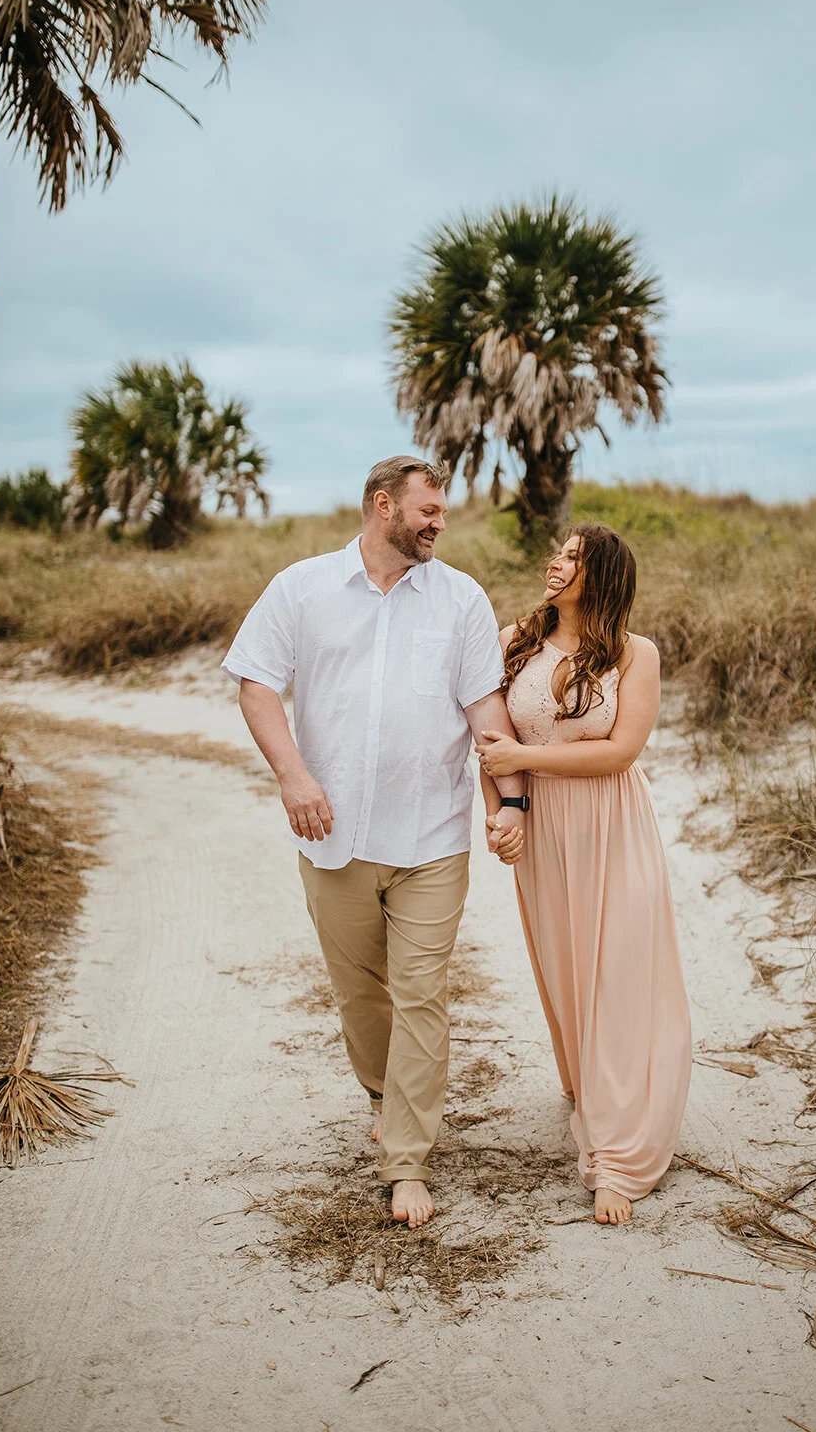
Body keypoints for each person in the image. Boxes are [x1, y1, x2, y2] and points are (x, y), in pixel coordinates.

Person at [222, 456, 527, 1228]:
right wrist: (293, 777)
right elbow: (256, 681)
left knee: (422, 994)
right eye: (427, 509)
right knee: (361, 995)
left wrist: (512, 800)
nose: (439, 521)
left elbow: (484, 709)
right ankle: (382, 1098)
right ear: (383, 506)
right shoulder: (302, 587)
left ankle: (406, 1161)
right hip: (333, 837)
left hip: (430, 836)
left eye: (442, 510)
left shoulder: (459, 598)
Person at [476, 522, 691, 1225]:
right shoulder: (516, 641)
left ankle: (617, 1155)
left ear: (601, 575)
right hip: (543, 831)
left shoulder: (635, 655)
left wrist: (522, 763)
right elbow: (486, 742)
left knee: (619, 972)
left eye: (571, 557)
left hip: (612, 824)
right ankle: (589, 1089)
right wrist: (505, 811)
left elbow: (619, 752)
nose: (555, 562)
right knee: (568, 966)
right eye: (558, 552)